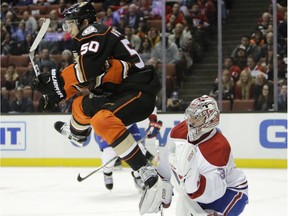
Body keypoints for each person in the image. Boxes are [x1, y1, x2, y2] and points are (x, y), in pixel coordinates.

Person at [32, 2, 168, 214]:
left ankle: (147, 171)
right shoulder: (93, 38)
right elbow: (91, 76)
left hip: (138, 92)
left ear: (84, 22)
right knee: (80, 105)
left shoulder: (92, 32)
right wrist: (58, 92)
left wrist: (55, 82)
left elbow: (87, 73)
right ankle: (78, 133)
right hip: (122, 91)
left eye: (70, 24)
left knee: (101, 120)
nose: (68, 29)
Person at [154, 95, 249, 215]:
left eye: (197, 118)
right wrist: (163, 182)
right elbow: (170, 157)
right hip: (195, 194)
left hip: (230, 192)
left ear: (210, 119)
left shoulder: (219, 146)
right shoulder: (179, 131)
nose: (191, 121)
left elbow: (215, 191)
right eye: (191, 116)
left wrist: (193, 181)